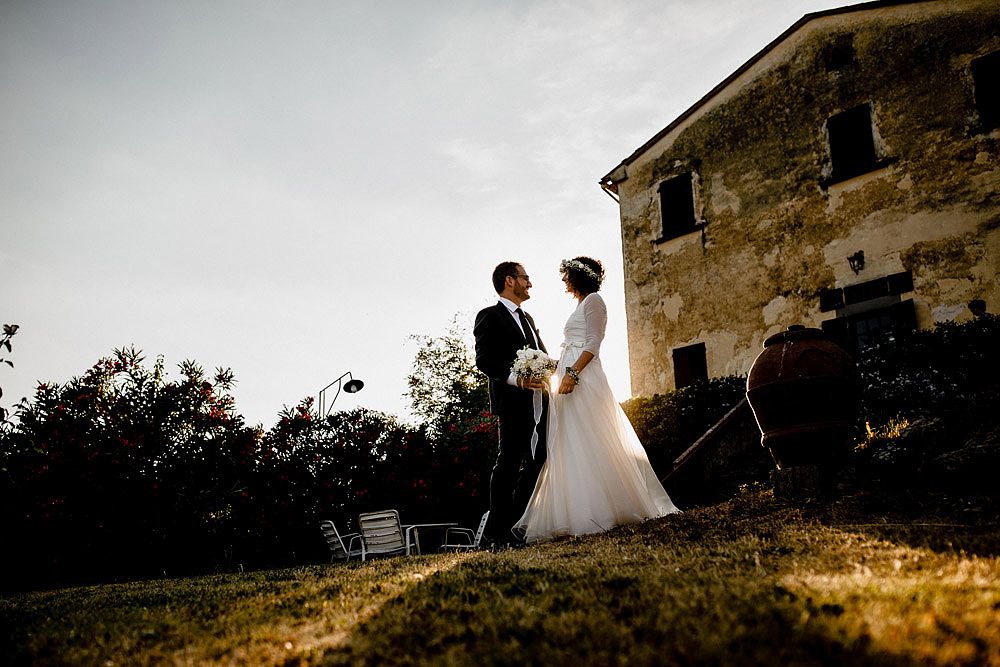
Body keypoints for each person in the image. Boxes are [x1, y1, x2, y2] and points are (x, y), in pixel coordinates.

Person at [513, 257, 679, 544]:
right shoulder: (580, 304)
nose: (563, 280)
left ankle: (608, 508)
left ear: (579, 276)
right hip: (566, 379)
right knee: (572, 441)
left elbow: (593, 343)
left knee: (593, 437)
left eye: (566, 275)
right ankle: (576, 510)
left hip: (583, 380)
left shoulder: (594, 301)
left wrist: (573, 374)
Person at [474, 261, 549, 547]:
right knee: (508, 464)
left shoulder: (527, 317)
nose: (529, 283)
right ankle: (497, 533)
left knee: (539, 461)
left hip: (540, 401)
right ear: (509, 280)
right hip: (512, 402)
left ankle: (517, 526)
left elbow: (541, 353)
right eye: (525, 277)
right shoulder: (489, 316)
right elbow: (484, 359)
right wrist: (516, 379)